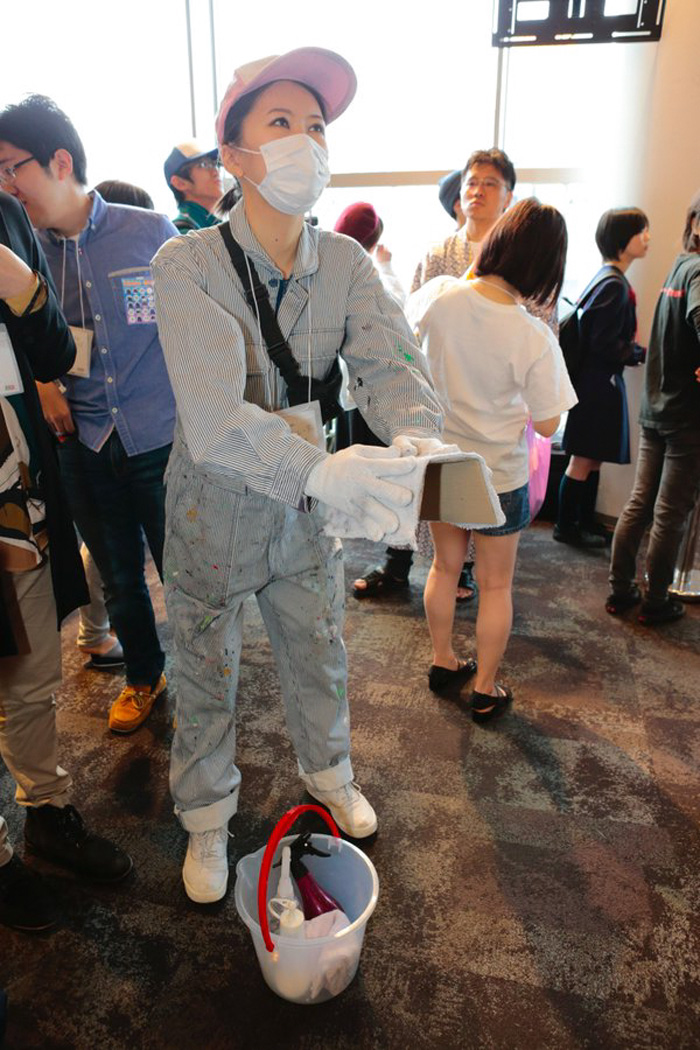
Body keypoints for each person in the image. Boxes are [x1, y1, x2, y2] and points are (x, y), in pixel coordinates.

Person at [152, 46, 444, 903]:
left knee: (319, 648)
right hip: (213, 505)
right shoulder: (187, 266)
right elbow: (212, 418)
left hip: (310, 511)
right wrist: (322, 472)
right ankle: (207, 818)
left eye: (316, 126)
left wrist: (419, 435)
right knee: (206, 662)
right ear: (232, 156)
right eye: (279, 124)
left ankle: (330, 770)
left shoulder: (347, 265)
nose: (305, 143)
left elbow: (393, 361)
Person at [0, 95, 178, 734]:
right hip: (81, 439)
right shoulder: (20, 252)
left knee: (183, 572)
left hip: (157, 434)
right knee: (119, 577)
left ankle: (206, 684)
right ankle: (144, 676)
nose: (5, 186)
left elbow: (188, 334)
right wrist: (47, 380)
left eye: (10, 168)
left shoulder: (149, 231)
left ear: (59, 160)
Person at [0, 191, 132, 933]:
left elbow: (52, 353)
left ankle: (46, 811)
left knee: (31, 675)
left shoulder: (7, 216)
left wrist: (23, 287)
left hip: (17, 489)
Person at [408, 199, 577, 722]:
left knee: (442, 566)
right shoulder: (531, 334)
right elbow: (550, 425)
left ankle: (442, 662)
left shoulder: (438, 298)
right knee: (497, 585)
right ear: (547, 267)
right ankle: (484, 687)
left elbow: (405, 352)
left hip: (440, 464)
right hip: (497, 474)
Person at [354, 148, 516, 600]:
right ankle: (397, 563)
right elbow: (410, 325)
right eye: (471, 182)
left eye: (490, 183)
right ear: (459, 195)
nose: (478, 190)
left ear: (508, 196)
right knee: (419, 477)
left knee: (478, 484)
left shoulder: (516, 256)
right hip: (436, 394)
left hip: (492, 400)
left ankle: (460, 571)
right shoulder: (440, 253)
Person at [606, 191, 700, 625]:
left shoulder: (680, 265)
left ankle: (621, 590)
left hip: (658, 407)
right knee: (669, 512)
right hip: (686, 416)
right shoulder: (698, 271)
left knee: (642, 503)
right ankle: (657, 600)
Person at [555, 208, 649, 548]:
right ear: (622, 240)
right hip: (597, 383)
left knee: (590, 457)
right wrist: (639, 353)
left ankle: (582, 522)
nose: (647, 238)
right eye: (641, 232)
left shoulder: (605, 278)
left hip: (593, 381)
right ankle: (567, 526)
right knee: (582, 459)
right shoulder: (613, 284)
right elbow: (604, 342)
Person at [334, 202, 405, 306]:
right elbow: (398, 306)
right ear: (372, 247)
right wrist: (386, 266)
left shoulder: (320, 263)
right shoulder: (365, 280)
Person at [164, 141, 224, 232]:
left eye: (215, 164)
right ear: (180, 183)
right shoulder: (183, 233)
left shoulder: (210, 225)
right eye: (204, 165)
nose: (216, 172)